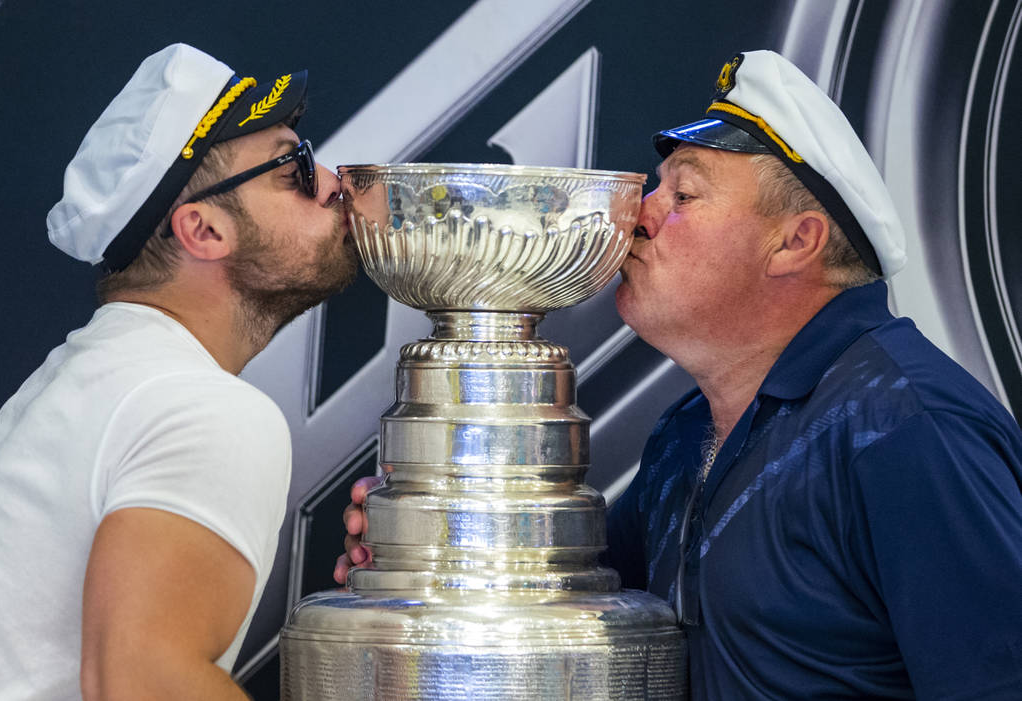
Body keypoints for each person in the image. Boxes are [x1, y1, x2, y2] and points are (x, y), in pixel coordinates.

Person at [336, 50, 1022, 698]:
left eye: (684, 193)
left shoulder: (908, 429)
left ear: (795, 241)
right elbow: (570, 610)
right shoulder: (686, 434)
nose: (640, 215)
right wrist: (430, 536)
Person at [0, 43, 357, 700]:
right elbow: (142, 683)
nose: (333, 179)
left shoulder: (105, 376)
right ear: (203, 230)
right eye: (292, 168)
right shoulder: (199, 405)